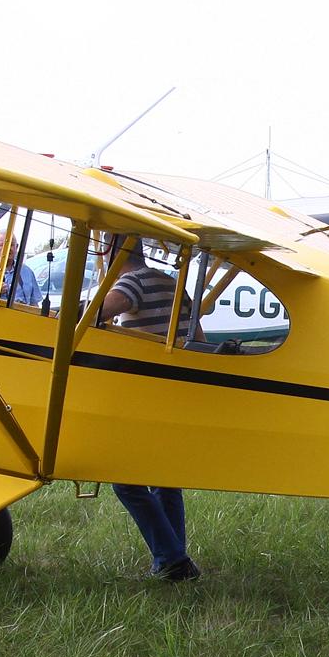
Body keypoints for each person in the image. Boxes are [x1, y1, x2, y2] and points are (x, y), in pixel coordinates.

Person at [99, 239, 200, 581]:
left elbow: (93, 313)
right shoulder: (172, 284)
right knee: (165, 481)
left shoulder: (132, 281)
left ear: (110, 249)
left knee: (126, 483)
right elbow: (197, 335)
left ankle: (171, 558)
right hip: (177, 395)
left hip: (147, 397)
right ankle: (174, 561)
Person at [0, 231, 40, 305]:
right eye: (2, 245)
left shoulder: (27, 272)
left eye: (11, 245)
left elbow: (34, 305)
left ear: (16, 247)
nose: (7, 248)